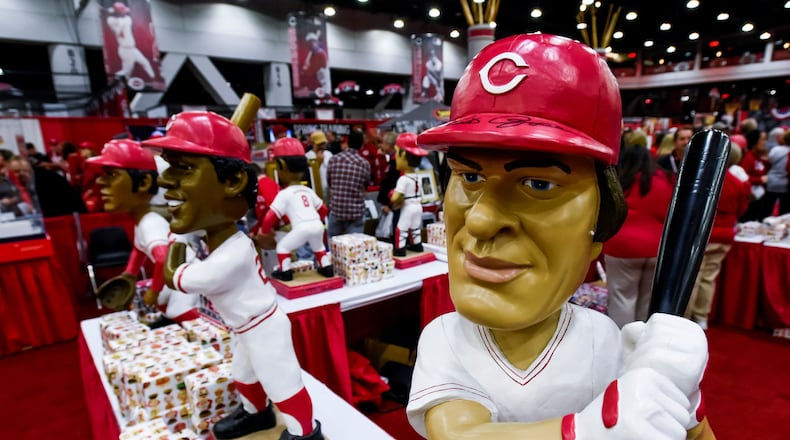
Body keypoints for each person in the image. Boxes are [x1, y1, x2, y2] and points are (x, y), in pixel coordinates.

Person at [406, 33, 712, 439]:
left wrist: (678, 400)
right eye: (471, 177)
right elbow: (460, 435)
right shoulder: (446, 338)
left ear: (598, 229)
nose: (479, 222)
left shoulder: (602, 337)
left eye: (538, 184)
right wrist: (587, 431)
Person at [143, 111, 322, 440]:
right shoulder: (222, 242)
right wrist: (179, 239)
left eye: (182, 169)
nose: (166, 181)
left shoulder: (236, 248)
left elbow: (188, 279)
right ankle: (256, 415)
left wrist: (176, 254)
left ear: (233, 183)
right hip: (244, 326)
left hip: (264, 325)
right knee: (243, 375)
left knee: (282, 384)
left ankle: (304, 432)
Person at [85, 139, 200, 322]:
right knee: (150, 301)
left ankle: (216, 333)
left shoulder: (149, 223)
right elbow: (139, 250)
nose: (100, 182)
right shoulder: (142, 222)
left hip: (186, 273)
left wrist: (153, 292)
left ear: (144, 183)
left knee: (176, 312)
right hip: (172, 274)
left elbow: (162, 259)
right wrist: (129, 275)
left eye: (111, 174)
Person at [603, 130, 674, 328]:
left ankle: (622, 343)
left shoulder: (619, 180)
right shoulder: (667, 180)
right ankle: (643, 341)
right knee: (648, 300)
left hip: (621, 247)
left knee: (622, 298)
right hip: (656, 248)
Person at [685, 143, 750, 329]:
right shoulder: (737, 183)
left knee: (694, 276)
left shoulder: (707, 178)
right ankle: (701, 316)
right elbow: (742, 208)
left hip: (705, 233)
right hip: (725, 235)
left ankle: (686, 317)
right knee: (708, 277)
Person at [257, 137, 334, 281]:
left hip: (301, 228)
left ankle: (285, 273)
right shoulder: (307, 190)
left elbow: (270, 216)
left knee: (283, 248)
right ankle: (326, 267)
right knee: (319, 247)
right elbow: (323, 209)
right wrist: (319, 221)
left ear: (280, 165)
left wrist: (264, 231)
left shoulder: (285, 194)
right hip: (317, 225)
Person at [325, 129, 370, 237]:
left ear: (348, 142)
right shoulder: (364, 164)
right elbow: (365, 186)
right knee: (355, 247)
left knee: (334, 247)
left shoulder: (334, 159)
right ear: (361, 145)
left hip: (337, 209)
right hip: (356, 212)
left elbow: (329, 183)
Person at [390, 132, 428, 256]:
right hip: (418, 206)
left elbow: (395, 198)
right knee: (416, 228)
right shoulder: (418, 176)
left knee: (401, 229)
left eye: (397, 153)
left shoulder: (403, 179)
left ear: (404, 155)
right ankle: (417, 245)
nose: (395, 156)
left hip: (408, 207)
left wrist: (392, 195)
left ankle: (400, 249)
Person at [105, 1, 156, 79]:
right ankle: (117, 81)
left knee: (145, 62)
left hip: (133, 48)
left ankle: (153, 78)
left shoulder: (127, 19)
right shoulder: (111, 20)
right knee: (127, 71)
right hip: (125, 50)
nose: (125, 13)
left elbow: (123, 18)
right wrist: (115, 15)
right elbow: (118, 31)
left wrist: (115, 13)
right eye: (122, 12)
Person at [300, 31, 330, 97]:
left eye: (312, 42)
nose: (311, 45)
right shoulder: (314, 55)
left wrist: (305, 69)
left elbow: (312, 70)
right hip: (320, 86)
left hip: (325, 88)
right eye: (309, 44)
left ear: (316, 42)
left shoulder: (321, 53)